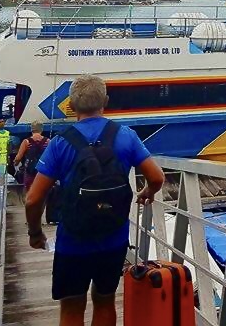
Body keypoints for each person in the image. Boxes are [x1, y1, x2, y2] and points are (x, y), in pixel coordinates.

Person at [24, 75, 165, 326]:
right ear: (106, 102)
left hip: (73, 242)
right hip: (114, 239)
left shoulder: (59, 143)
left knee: (71, 306)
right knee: (105, 300)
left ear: (71, 106)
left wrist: (36, 233)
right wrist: (148, 192)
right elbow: (156, 177)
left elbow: (33, 199)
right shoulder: (126, 136)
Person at [14, 121, 50, 193]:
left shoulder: (26, 142)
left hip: (30, 171)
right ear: (41, 129)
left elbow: (18, 158)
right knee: (43, 192)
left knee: (28, 191)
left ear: (31, 129)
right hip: (43, 172)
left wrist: (15, 164)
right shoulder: (48, 141)